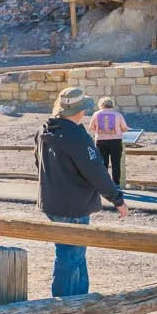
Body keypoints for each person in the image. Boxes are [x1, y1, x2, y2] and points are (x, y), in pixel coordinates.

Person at [36, 86, 127, 297]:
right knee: (70, 256)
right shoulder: (76, 136)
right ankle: (64, 306)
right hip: (74, 205)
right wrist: (117, 199)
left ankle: (80, 300)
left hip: (52, 201)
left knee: (74, 253)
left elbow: (38, 163)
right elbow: (96, 171)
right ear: (81, 110)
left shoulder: (44, 130)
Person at [89, 95, 129, 188]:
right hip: (115, 141)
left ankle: (104, 184)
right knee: (116, 163)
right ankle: (116, 184)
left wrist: (98, 131)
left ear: (101, 105)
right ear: (111, 104)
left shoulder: (96, 114)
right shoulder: (118, 115)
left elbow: (91, 128)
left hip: (101, 141)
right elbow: (124, 128)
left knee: (103, 163)